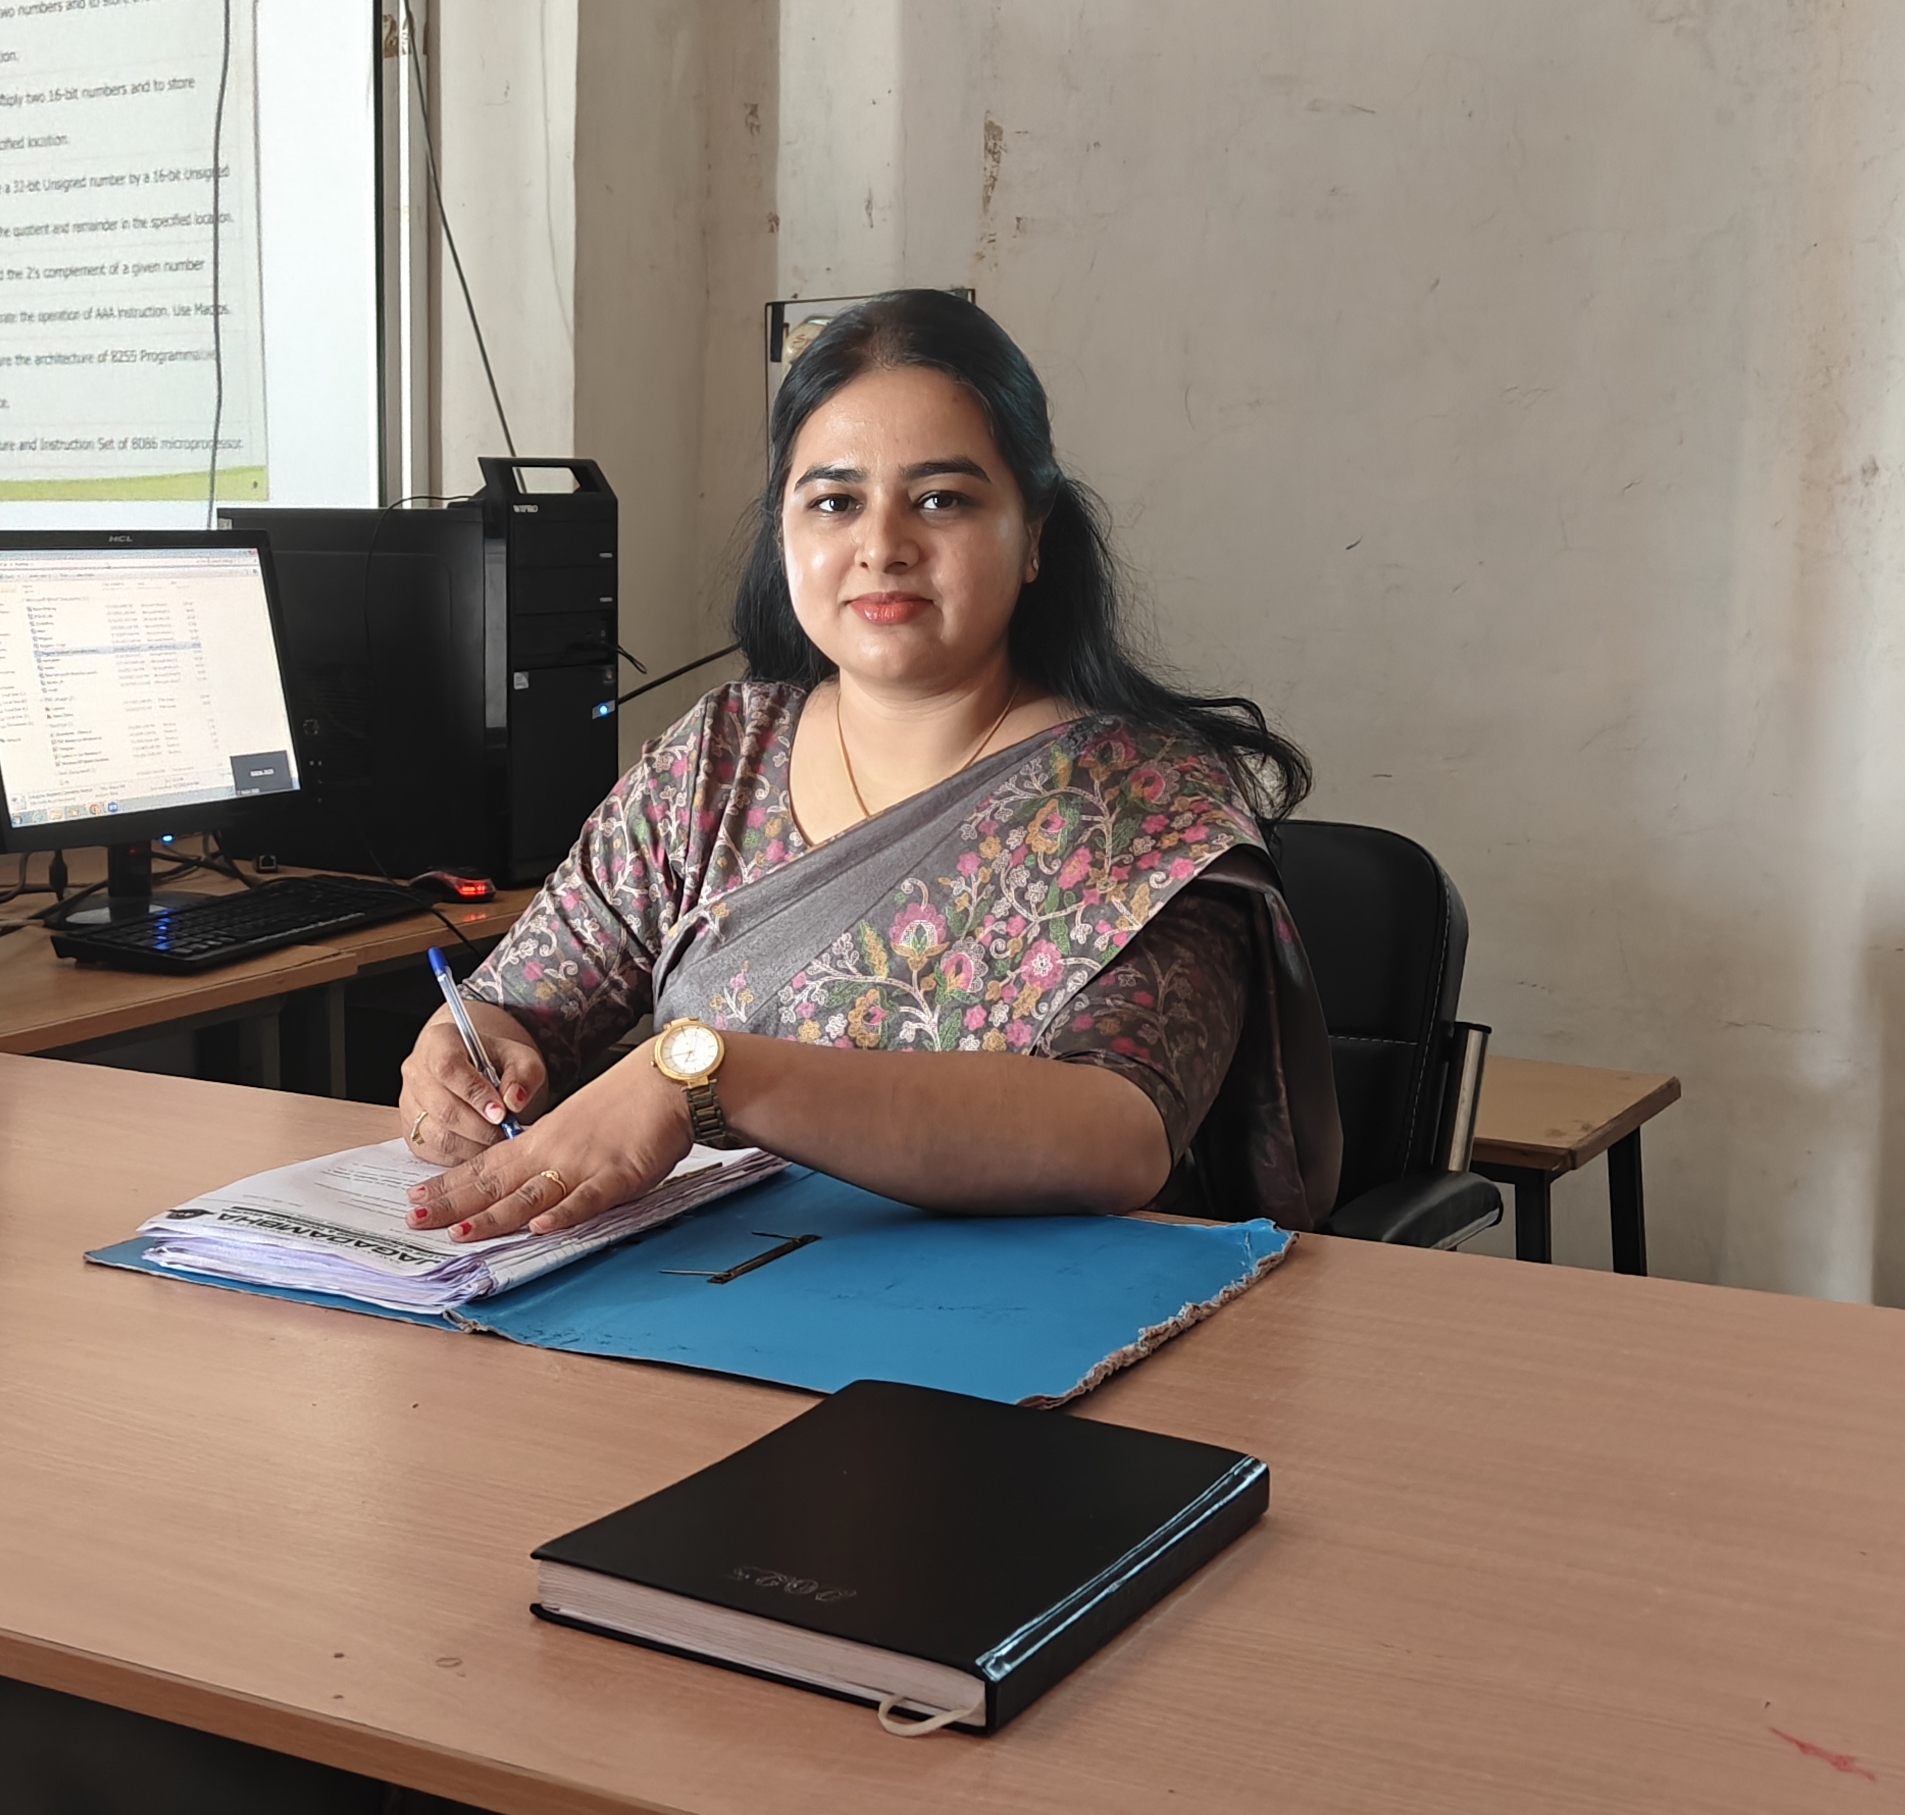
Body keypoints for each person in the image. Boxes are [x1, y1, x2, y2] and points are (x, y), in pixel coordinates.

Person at [400, 290, 1339, 1240]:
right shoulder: (718, 760)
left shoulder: (1146, 803)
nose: (882, 547)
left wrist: (705, 1077)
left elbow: (1119, 1135)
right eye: (835, 502)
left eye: (942, 499)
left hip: (1026, 1326)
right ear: (785, 534)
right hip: (704, 1294)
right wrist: (459, 1060)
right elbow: (507, 1009)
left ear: (1034, 537)